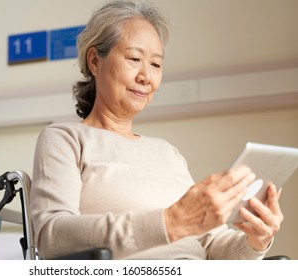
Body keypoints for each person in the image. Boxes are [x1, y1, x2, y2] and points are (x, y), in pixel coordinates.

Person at [30, 0, 283, 260]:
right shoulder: (65, 139)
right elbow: (53, 236)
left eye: (156, 64)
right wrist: (169, 223)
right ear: (95, 61)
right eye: (134, 59)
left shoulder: (167, 152)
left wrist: (255, 241)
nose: (146, 77)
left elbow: (211, 245)